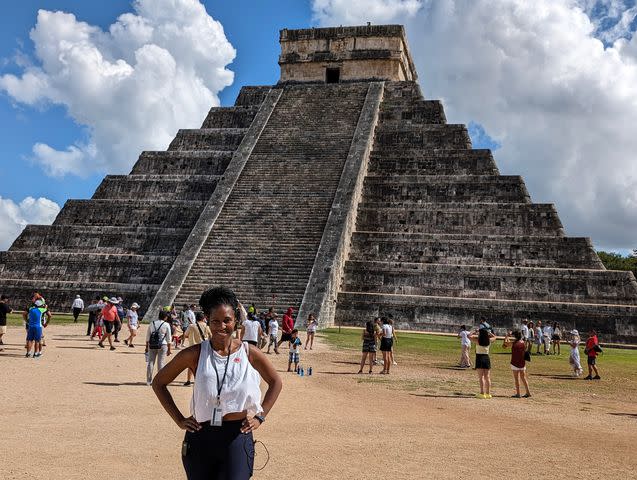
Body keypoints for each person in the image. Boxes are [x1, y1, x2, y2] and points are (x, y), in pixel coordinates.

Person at [151, 286, 282, 480]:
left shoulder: (249, 353)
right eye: (216, 321)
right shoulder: (195, 354)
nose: (222, 326)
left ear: (236, 320)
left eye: (227, 320)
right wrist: (179, 419)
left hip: (237, 435)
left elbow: (276, 382)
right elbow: (159, 383)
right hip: (202, 435)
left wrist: (260, 416)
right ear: (208, 322)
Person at [182, 312, 211, 386]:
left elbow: (185, 335)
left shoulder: (191, 326)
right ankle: (200, 380)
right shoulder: (206, 326)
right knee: (203, 365)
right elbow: (211, 336)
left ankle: (188, 380)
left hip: (192, 347)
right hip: (203, 347)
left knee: (191, 365)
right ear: (203, 318)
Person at [145, 310, 172, 385]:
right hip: (162, 344)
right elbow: (168, 338)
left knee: (150, 362)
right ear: (165, 317)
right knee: (161, 363)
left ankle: (148, 381)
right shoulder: (166, 324)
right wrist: (169, 349)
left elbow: (148, 336)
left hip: (152, 344)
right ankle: (160, 380)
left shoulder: (152, 323)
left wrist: (146, 346)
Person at [469, 323, 496, 399]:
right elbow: (494, 337)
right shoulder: (488, 341)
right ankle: (488, 393)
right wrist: (488, 332)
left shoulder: (478, 341)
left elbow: (469, 336)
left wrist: (475, 331)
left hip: (479, 357)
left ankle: (482, 393)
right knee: (487, 377)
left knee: (481, 377)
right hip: (486, 357)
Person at [507, 330, 531, 398]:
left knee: (516, 379)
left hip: (515, 362)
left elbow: (506, 344)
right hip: (522, 362)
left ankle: (518, 393)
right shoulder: (523, 342)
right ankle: (528, 392)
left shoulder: (514, 343)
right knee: (523, 378)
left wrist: (507, 336)